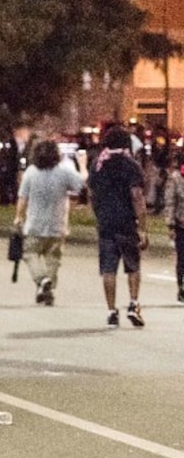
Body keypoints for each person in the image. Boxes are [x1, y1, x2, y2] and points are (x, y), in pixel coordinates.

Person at [87, 125, 147, 329]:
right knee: (132, 265)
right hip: (127, 222)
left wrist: (98, 214)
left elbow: (92, 194)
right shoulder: (131, 165)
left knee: (108, 268)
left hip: (105, 222)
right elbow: (137, 196)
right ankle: (133, 303)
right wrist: (143, 227)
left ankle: (112, 311)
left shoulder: (98, 165)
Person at [13, 138, 85, 306]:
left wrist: (18, 216)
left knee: (30, 254)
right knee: (53, 258)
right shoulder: (64, 172)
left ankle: (42, 280)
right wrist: (82, 165)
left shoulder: (31, 172)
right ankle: (48, 289)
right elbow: (81, 184)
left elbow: (23, 197)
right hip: (57, 225)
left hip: (35, 224)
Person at [164, 150, 184, 303]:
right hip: (181, 223)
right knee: (182, 258)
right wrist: (170, 224)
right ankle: (181, 287)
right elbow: (170, 202)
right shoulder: (176, 178)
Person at [0, 133, 19, 205]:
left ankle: (9, 200)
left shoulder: (11, 147)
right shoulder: (4, 149)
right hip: (7, 170)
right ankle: (5, 201)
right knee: (7, 186)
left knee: (11, 186)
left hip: (9, 170)